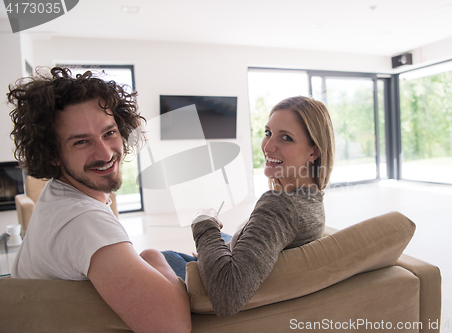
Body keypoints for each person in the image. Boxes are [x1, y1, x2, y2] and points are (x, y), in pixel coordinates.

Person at [7, 67, 191, 333]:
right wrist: (151, 257)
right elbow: (172, 327)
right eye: (81, 142)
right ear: (52, 154)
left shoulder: (57, 192)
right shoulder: (84, 221)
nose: (105, 153)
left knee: (205, 250)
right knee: (195, 253)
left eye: (109, 133)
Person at [163, 96, 335, 317]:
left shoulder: (280, 205)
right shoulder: (312, 200)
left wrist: (204, 221)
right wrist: (215, 250)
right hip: (226, 263)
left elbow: (228, 293)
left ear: (314, 152)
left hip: (209, 291)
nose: (268, 146)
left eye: (286, 138)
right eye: (268, 133)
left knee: (157, 255)